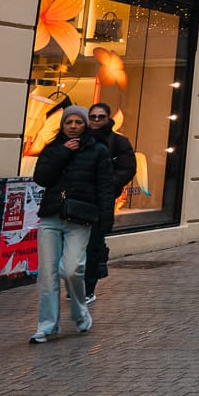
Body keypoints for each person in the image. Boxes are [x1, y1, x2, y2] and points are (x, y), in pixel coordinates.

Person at [30, 106, 111, 341]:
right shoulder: (53, 148)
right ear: (63, 125)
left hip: (80, 218)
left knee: (72, 269)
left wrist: (105, 220)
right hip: (50, 218)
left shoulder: (98, 151)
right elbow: (41, 178)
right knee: (47, 274)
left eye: (78, 122)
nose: (73, 126)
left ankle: (80, 312)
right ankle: (47, 326)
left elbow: (104, 188)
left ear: (85, 125)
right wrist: (62, 153)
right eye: (69, 122)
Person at [82, 102, 134, 302]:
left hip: (101, 199)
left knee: (93, 243)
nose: (96, 120)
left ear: (108, 118)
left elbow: (127, 169)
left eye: (100, 117)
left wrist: (107, 184)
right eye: (92, 116)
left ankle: (88, 287)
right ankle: (78, 283)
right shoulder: (80, 139)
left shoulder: (118, 142)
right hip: (78, 198)